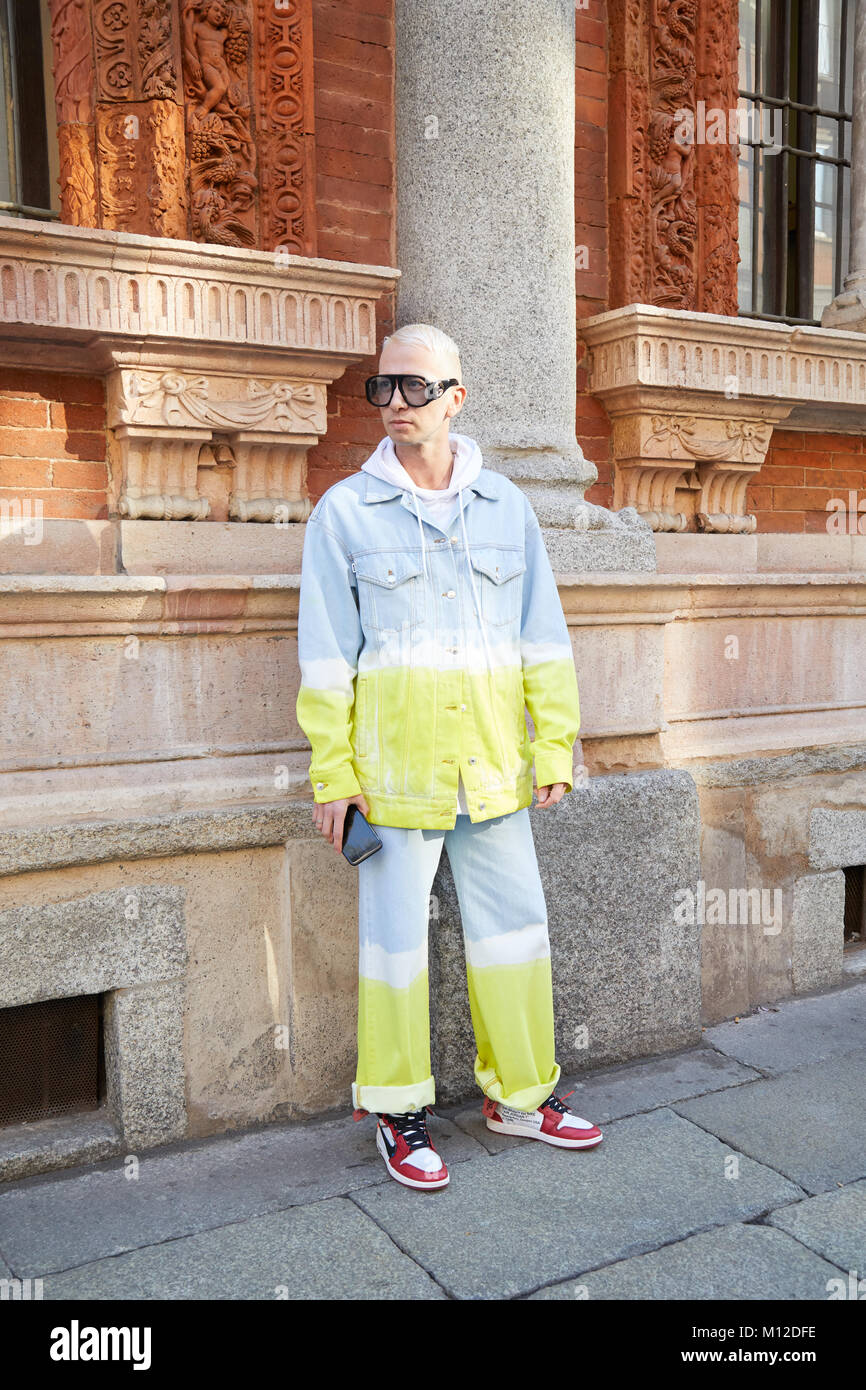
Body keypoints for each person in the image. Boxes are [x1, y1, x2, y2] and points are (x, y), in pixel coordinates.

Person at [296, 322, 603, 1190]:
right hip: (394, 773)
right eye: (383, 388)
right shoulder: (344, 514)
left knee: (516, 935)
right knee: (395, 949)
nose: (396, 404)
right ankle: (397, 1115)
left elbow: (543, 640)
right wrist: (334, 775)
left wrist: (554, 747)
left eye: (416, 388)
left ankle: (521, 1097)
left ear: (455, 398)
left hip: (496, 765)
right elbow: (326, 656)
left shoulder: (507, 507)